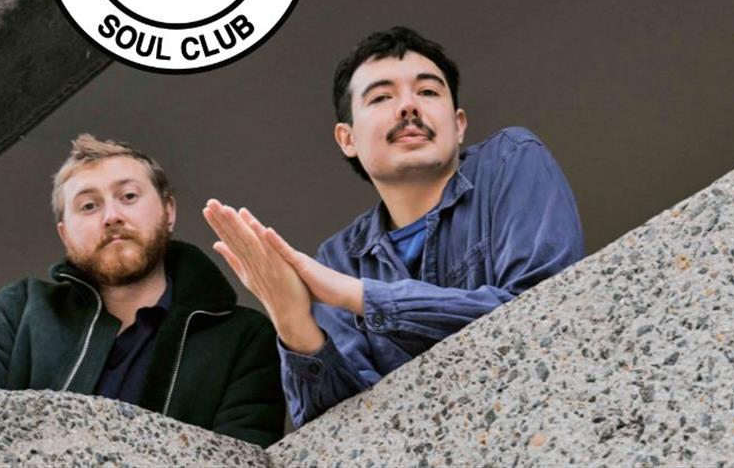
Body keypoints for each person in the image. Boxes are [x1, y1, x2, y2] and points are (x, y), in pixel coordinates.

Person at [204, 26, 584, 427]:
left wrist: (358, 295)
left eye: (428, 91)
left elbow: (547, 313)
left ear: (458, 124)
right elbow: (340, 431)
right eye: (382, 97)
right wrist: (292, 320)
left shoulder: (508, 161)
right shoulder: (338, 259)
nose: (408, 107)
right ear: (347, 139)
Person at [0, 134, 284, 446]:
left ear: (168, 210)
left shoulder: (244, 337)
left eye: (129, 196)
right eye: (89, 206)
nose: (111, 217)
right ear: (65, 235)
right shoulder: (24, 309)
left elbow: (245, 453)